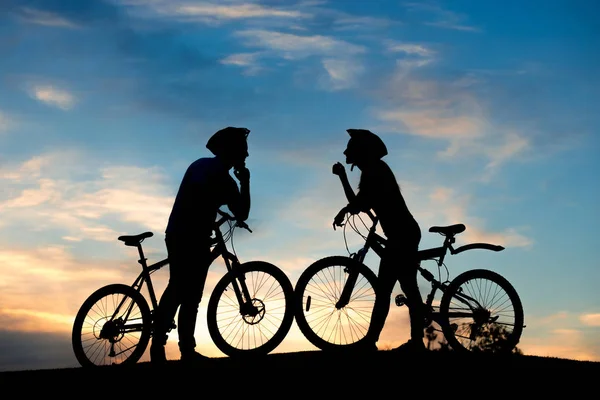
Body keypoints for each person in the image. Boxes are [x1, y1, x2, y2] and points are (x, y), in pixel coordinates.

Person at [150, 126, 251, 364]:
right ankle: (161, 344)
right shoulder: (209, 170)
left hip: (189, 235)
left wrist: (242, 183)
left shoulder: (214, 173)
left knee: (190, 293)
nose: (246, 156)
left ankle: (184, 349)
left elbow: (238, 211)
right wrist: (243, 183)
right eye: (244, 150)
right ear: (233, 150)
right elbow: (237, 210)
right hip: (186, 235)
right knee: (180, 288)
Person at [332, 128, 426, 353]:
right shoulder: (374, 170)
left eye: (353, 149)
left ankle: (387, 341)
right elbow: (363, 203)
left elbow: (359, 205)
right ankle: (412, 341)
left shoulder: (375, 171)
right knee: (403, 288)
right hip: (402, 233)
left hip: (402, 235)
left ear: (362, 152)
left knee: (389, 289)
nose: (348, 153)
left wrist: (343, 179)